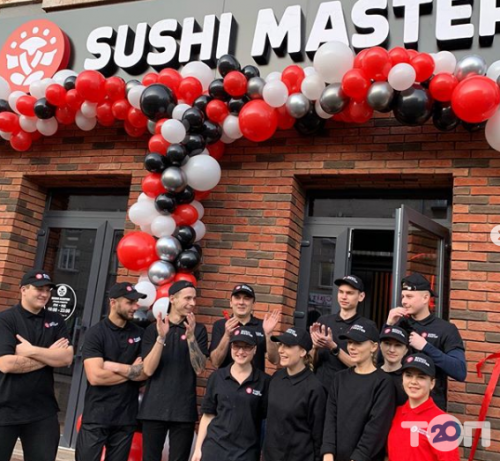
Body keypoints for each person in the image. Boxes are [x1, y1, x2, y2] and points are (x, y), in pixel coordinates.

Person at [76, 282, 159, 461]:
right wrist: (131, 371)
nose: (135, 307)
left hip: (125, 418)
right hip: (96, 415)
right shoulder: (96, 333)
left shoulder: (140, 334)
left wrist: (114, 367)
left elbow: (144, 372)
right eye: (130, 302)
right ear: (113, 302)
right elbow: (95, 376)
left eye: (136, 302)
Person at [0, 269, 73, 461]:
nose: (45, 294)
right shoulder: (6, 320)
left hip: (43, 411)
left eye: (48, 290)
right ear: (23, 290)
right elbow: (6, 364)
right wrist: (50, 355)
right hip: (5, 408)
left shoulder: (55, 320)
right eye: (39, 289)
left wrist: (31, 351)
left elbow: (66, 358)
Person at [139, 280, 209, 461]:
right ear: (172, 299)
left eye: (194, 299)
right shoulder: (153, 329)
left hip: (183, 410)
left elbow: (200, 369)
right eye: (187, 298)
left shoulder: (199, 330)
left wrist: (191, 337)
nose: (192, 303)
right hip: (154, 408)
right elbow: (148, 369)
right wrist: (161, 338)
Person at [386, 273, 466, 410]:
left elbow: (459, 371)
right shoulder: (398, 324)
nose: (404, 301)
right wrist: (388, 326)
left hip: (431, 408)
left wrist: (425, 346)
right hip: (398, 404)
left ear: (425, 298)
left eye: (409, 296)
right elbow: (380, 363)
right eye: (403, 297)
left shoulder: (446, 329)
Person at [321, 318, 396, 461]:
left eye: (358, 343)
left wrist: (358, 457)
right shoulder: (339, 378)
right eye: (350, 342)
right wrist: (328, 453)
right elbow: (330, 419)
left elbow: (376, 429)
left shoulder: (383, 382)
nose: (351, 347)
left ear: (373, 347)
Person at [192, 328, 270, 461]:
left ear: (255, 349)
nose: (241, 351)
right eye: (236, 346)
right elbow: (208, 415)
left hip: (246, 453)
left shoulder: (264, 381)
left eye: (247, 347)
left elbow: (266, 419)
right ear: (231, 347)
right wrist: (198, 448)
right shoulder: (217, 377)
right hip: (214, 450)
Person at [264, 327, 327, 461]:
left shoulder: (314, 388)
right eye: (281, 345)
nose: (281, 350)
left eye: (288, 346)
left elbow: (318, 436)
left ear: (303, 352)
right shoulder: (276, 378)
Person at [387, 353, 460, 461]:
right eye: (408, 375)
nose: (413, 382)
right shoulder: (395, 413)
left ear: (432, 383)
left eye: (421, 377)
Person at [310, 275, 377, 388]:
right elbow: (311, 363)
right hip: (320, 388)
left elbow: (364, 367)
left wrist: (333, 347)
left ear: (361, 296)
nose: (344, 297)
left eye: (349, 293)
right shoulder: (323, 321)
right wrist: (315, 348)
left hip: (348, 388)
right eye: (341, 292)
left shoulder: (367, 326)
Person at [210, 283, 280, 370]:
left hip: (256, 378)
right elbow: (215, 362)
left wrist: (269, 334)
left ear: (253, 304)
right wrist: (227, 335)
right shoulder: (220, 325)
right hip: (226, 378)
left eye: (246, 298)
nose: (241, 302)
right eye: (237, 298)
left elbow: (275, 360)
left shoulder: (263, 325)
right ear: (231, 303)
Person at [380, 325, 409, 406]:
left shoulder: (409, 378)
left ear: (406, 350)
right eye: (387, 343)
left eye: (398, 345)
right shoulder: (371, 372)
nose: (392, 350)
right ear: (380, 346)